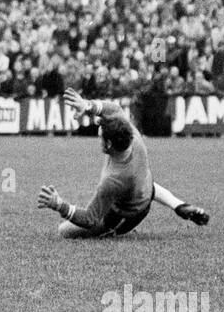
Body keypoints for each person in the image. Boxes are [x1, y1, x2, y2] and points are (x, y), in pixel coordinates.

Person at [36, 89, 209, 239]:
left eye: (101, 132)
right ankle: (178, 205)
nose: (98, 127)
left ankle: (114, 228)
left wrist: (59, 204)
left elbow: (90, 218)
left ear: (109, 145)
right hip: (144, 186)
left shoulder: (114, 180)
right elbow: (114, 108)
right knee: (142, 182)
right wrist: (86, 105)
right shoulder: (130, 133)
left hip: (129, 214)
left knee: (64, 230)